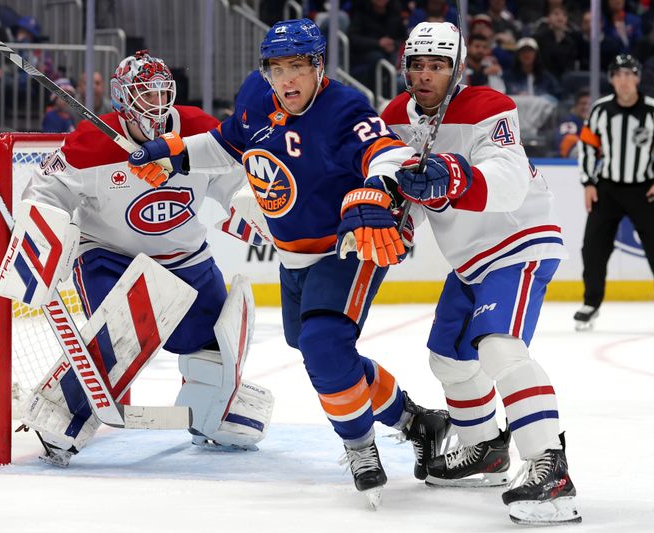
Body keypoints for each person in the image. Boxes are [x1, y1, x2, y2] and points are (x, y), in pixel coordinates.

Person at [127, 19, 448, 506]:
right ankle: (415, 421)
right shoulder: (258, 95)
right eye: (277, 68)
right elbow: (231, 140)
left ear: (319, 66)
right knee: (324, 353)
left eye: (298, 66)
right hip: (292, 257)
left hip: (348, 247)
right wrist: (174, 153)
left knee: (323, 343)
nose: (288, 80)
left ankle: (360, 447)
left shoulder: (343, 108)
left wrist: (370, 197)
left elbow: (389, 154)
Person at [17, 50, 273, 466]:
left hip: (187, 257)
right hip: (110, 255)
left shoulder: (199, 132)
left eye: (161, 94)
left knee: (212, 341)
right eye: (144, 96)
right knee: (119, 332)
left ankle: (212, 409)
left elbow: (239, 184)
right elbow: (46, 189)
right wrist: (45, 230)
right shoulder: (91, 140)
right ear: (121, 99)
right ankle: (63, 412)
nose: (156, 106)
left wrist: (260, 212)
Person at [381, 22, 581, 525]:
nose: (426, 75)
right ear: (405, 68)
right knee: (448, 360)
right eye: (418, 65)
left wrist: (454, 173)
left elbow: (509, 182)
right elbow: (407, 188)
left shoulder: (487, 107)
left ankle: (549, 466)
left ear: (458, 70)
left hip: (519, 240)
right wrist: (395, 221)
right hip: (470, 259)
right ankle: (488, 449)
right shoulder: (393, 118)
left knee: (499, 347)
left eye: (438, 65)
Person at [576, 54, 654, 332]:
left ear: (637, 78)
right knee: (593, 250)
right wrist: (589, 183)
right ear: (611, 79)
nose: (623, 80)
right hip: (608, 189)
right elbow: (588, 147)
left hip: (644, 189)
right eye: (618, 75)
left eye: (629, 74)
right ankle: (591, 303)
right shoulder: (600, 110)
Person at [555, 88, 591, 158]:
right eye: (583, 104)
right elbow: (568, 143)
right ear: (575, 105)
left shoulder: (596, 123)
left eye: (589, 104)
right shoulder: (569, 121)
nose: (586, 107)